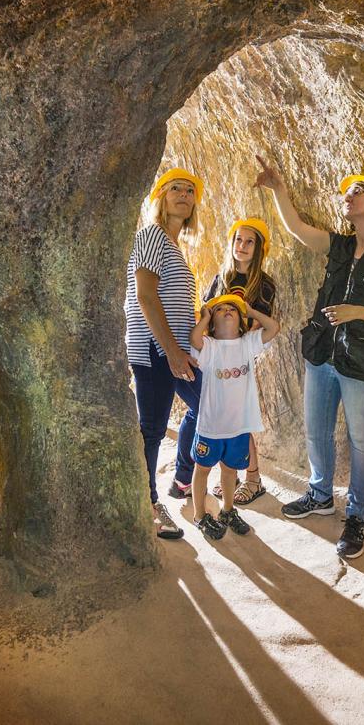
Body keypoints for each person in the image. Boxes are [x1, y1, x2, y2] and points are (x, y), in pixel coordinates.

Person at [255, 155, 364, 559]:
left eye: (357, 192)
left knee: (362, 442)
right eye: (347, 192)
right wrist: (279, 189)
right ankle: (320, 493)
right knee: (316, 430)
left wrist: (360, 311)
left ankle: (358, 517)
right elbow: (296, 229)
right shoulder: (341, 245)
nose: (347, 197)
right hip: (323, 353)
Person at [124, 167, 205, 541]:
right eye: (175, 188)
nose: (184, 195)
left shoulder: (173, 245)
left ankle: (183, 480)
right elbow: (144, 294)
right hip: (156, 350)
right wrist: (172, 350)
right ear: (161, 197)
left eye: (190, 191)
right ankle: (149, 505)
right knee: (153, 428)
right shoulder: (152, 235)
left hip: (174, 351)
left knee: (209, 403)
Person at [188, 294, 280, 540]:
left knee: (230, 472)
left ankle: (228, 510)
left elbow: (273, 328)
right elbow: (194, 339)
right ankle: (200, 515)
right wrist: (204, 317)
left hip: (238, 428)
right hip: (211, 427)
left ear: (241, 320)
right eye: (220, 310)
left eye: (233, 309)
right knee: (203, 469)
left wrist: (252, 312)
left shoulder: (248, 342)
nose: (227, 311)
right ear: (212, 323)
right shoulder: (209, 346)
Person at [202, 218, 277, 506]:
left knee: (239, 417)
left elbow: (262, 323)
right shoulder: (222, 277)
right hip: (218, 356)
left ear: (258, 248)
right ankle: (229, 476)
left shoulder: (264, 284)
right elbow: (207, 314)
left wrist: (238, 340)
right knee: (224, 417)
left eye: (249, 242)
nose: (242, 246)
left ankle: (254, 478)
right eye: (238, 240)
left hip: (242, 353)